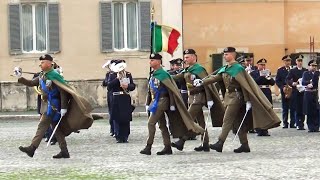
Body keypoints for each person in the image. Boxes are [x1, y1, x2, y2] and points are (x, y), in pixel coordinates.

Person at [194, 47, 280, 153]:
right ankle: (244, 145)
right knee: (239, 122)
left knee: (227, 120)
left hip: (237, 97)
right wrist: (202, 82)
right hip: (228, 97)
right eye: (224, 54)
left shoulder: (238, 68)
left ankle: (220, 142)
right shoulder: (226, 68)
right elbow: (215, 77)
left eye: (227, 54)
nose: (225, 56)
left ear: (233, 55)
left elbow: (245, 85)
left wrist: (248, 100)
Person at [15, 54, 94, 158]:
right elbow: (31, 83)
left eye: (42, 62)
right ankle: (64, 151)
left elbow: (63, 91)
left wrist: (63, 107)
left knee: (42, 125)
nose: (40, 64)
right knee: (57, 129)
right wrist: (19, 77)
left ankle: (32, 148)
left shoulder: (54, 75)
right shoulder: (43, 75)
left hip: (54, 106)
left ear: (49, 63)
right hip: (48, 104)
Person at [140, 53, 204, 155]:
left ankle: (148, 146)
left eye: (152, 60)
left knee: (150, 123)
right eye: (150, 60)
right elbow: (150, 90)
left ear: (158, 61)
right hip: (155, 101)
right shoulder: (154, 74)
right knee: (162, 125)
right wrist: (148, 102)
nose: (150, 62)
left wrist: (173, 104)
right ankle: (167, 147)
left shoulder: (163, 74)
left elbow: (171, 90)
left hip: (162, 101)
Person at [170, 49, 225, 152]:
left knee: (188, 119)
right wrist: (165, 76)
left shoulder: (199, 69)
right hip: (192, 98)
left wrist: (209, 99)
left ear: (194, 57)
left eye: (187, 57)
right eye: (185, 57)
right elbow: (177, 77)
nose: (185, 59)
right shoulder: (188, 70)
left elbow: (207, 84)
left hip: (199, 98)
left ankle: (182, 141)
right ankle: (205, 143)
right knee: (200, 123)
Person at [107, 60, 136, 143]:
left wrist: (128, 86)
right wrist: (117, 79)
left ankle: (125, 135)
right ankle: (118, 135)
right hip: (116, 97)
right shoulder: (112, 75)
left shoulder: (128, 74)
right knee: (117, 117)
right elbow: (109, 86)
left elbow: (133, 86)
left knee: (126, 117)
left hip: (125, 96)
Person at [250, 58, 275, 136]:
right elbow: (253, 82)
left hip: (266, 92)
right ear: (258, 65)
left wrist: (269, 77)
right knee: (259, 111)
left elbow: (273, 83)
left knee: (267, 110)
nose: (263, 66)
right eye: (261, 64)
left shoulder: (267, 72)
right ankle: (259, 129)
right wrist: (261, 76)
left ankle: (265, 129)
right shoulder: (253, 73)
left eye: (264, 64)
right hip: (258, 91)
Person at [286, 55, 307, 130]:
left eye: (301, 61)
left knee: (303, 108)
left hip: (304, 91)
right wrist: (292, 83)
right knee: (297, 108)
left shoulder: (305, 70)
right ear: (296, 62)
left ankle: (302, 123)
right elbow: (288, 79)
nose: (300, 63)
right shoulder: (293, 70)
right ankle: (298, 123)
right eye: (298, 61)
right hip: (296, 91)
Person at [276, 55, 295, 128]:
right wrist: (282, 87)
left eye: (289, 61)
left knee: (293, 107)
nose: (288, 62)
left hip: (292, 90)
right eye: (286, 61)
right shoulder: (280, 70)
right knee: (285, 107)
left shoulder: (293, 69)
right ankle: (285, 123)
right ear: (284, 61)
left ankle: (293, 123)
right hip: (284, 90)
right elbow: (277, 80)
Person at [302, 60, 319, 132]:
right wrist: (309, 82)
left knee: (316, 110)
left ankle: (316, 126)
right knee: (309, 110)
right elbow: (303, 82)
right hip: (308, 93)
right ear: (309, 66)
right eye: (312, 65)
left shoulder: (318, 73)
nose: (314, 67)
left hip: (316, 93)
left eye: (315, 66)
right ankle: (310, 126)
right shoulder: (306, 73)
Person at [102, 59, 117, 137]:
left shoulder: (117, 73)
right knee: (111, 112)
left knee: (115, 112)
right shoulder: (109, 74)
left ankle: (116, 130)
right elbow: (105, 84)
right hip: (110, 94)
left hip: (115, 94)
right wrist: (108, 75)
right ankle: (112, 129)